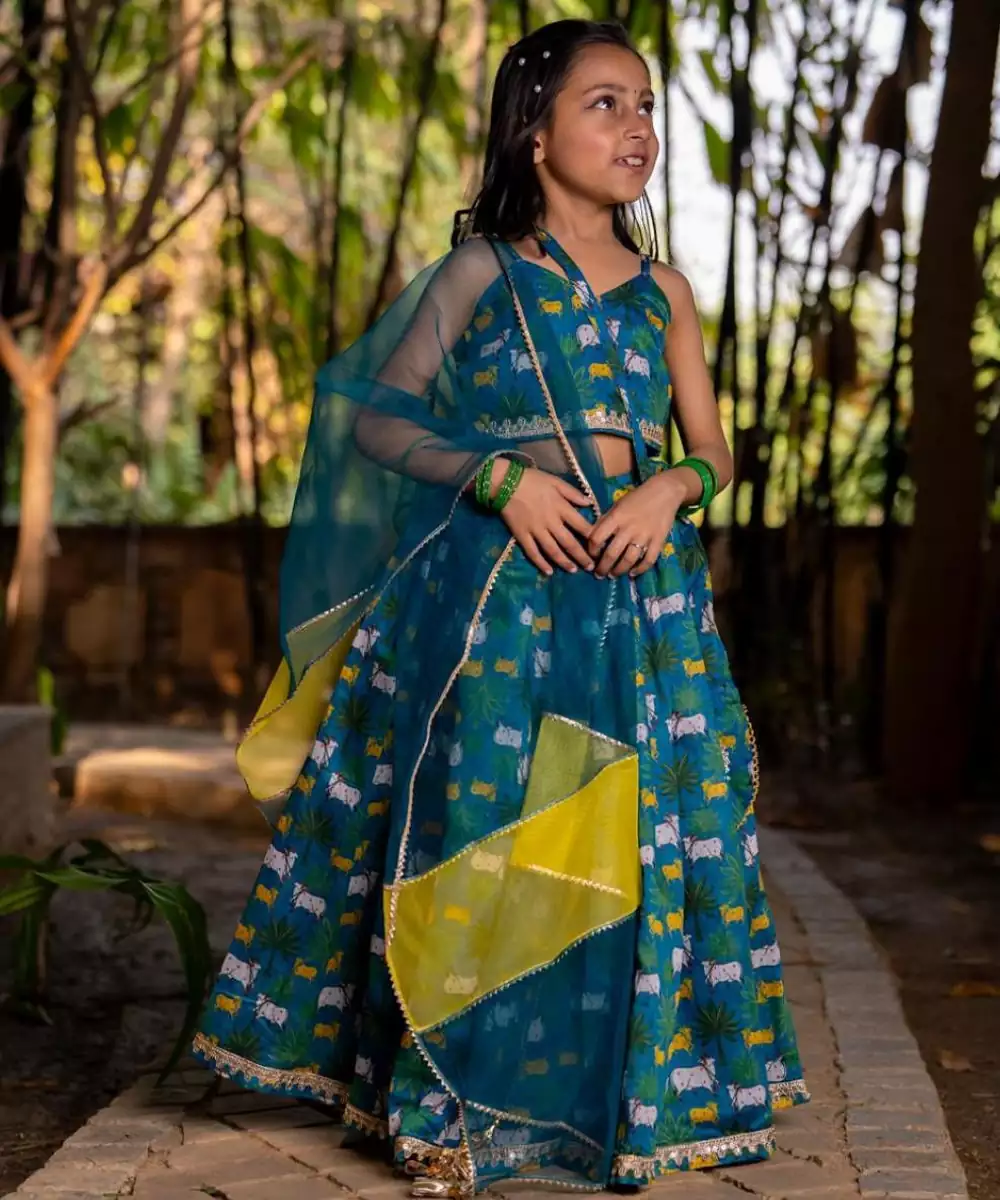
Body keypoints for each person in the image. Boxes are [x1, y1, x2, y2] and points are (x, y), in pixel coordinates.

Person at [192, 17, 809, 1197]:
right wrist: (497, 478)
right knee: (485, 826)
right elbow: (377, 419)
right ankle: (448, 1105)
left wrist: (673, 487)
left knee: (636, 834)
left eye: (644, 104)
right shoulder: (482, 272)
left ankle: (621, 1101)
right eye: (604, 104)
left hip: (639, 600)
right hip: (499, 595)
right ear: (533, 133)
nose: (637, 127)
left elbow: (714, 446)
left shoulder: (665, 292)